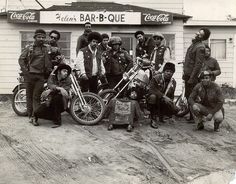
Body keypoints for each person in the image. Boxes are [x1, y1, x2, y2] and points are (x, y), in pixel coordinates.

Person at [18, 29, 52, 125]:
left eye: (43, 37)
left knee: (36, 97)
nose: (41, 39)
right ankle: (31, 116)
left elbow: (53, 55)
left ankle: (35, 117)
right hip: (30, 76)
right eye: (39, 37)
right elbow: (21, 60)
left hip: (41, 76)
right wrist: (26, 72)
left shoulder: (47, 48)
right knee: (29, 97)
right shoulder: (29, 48)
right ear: (35, 38)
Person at [183, 27, 211, 121]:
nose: (197, 34)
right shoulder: (194, 45)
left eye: (200, 34)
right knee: (188, 95)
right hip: (188, 74)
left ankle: (198, 118)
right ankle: (192, 116)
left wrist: (192, 78)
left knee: (192, 97)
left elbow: (198, 65)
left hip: (192, 76)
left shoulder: (200, 47)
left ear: (202, 37)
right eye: (198, 32)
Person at [34, 64, 72, 128]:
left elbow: (65, 91)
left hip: (61, 103)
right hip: (50, 101)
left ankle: (58, 121)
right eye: (64, 71)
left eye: (67, 72)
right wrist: (59, 88)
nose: (66, 73)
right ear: (59, 71)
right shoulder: (53, 77)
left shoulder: (68, 80)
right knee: (37, 112)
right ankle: (53, 117)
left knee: (57, 97)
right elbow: (49, 84)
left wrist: (51, 90)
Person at [147, 62, 179, 129]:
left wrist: (171, 104)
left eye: (171, 72)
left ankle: (162, 115)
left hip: (163, 101)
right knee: (153, 97)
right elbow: (151, 89)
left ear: (173, 73)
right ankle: (153, 118)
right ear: (164, 71)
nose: (168, 73)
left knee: (175, 109)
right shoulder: (156, 78)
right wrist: (163, 96)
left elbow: (172, 95)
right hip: (153, 100)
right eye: (167, 71)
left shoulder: (173, 82)